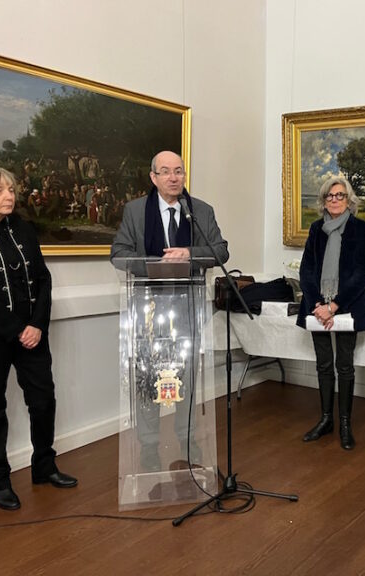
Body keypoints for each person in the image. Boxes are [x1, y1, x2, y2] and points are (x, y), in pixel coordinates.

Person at [0, 166, 78, 511]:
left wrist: (36, 325)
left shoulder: (22, 228)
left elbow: (43, 279)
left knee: (43, 399)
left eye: (10, 189)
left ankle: (44, 466)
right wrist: (15, 329)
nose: (8, 196)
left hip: (32, 333)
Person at [110, 151, 229, 471]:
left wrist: (188, 253)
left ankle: (189, 442)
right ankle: (148, 447)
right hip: (147, 310)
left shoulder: (200, 211)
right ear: (153, 177)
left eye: (179, 171)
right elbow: (118, 254)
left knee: (187, 379)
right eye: (165, 172)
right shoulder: (135, 211)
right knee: (148, 380)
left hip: (188, 309)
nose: (173, 178)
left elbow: (221, 251)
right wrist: (153, 265)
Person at [297, 176, 365, 451]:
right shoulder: (316, 229)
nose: (335, 200)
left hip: (347, 306)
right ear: (323, 200)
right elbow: (306, 270)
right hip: (317, 308)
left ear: (349, 199)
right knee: (323, 365)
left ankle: (344, 424)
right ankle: (325, 419)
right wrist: (319, 304)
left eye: (340, 195)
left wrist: (334, 306)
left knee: (345, 366)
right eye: (330, 196)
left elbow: (360, 273)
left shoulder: (362, 229)